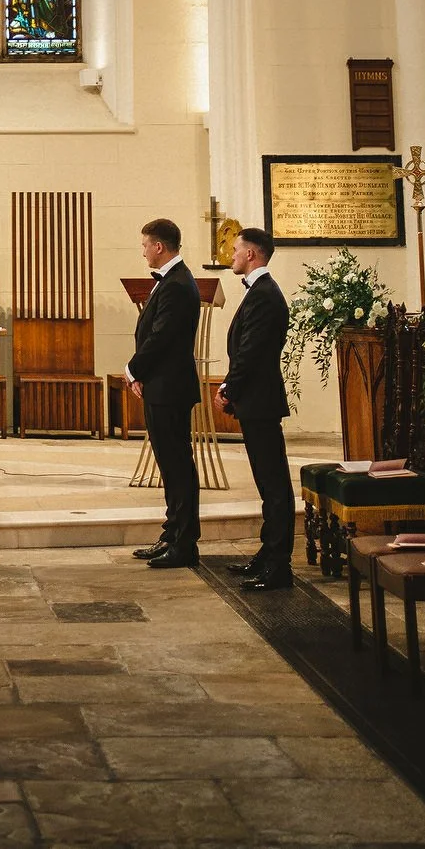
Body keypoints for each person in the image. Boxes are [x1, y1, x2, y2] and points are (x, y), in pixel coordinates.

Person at [218, 227, 294, 592]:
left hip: (260, 400)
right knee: (267, 484)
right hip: (256, 400)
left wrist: (229, 388)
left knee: (275, 485)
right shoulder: (260, 292)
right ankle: (268, 556)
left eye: (235, 250)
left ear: (252, 254)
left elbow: (252, 352)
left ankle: (279, 566)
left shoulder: (265, 295)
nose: (231, 255)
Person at [125, 218, 201, 569]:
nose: (143, 252)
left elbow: (162, 337)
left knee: (177, 467)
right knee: (170, 467)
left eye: (145, 246)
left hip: (170, 388)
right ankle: (171, 534)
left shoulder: (177, 284)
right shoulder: (172, 281)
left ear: (159, 246)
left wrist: (134, 369)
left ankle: (184, 544)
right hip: (162, 385)